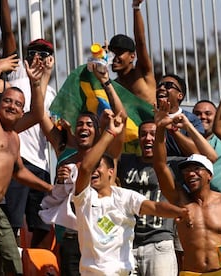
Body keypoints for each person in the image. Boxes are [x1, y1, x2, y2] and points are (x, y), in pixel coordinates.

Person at [73, 111, 192, 275]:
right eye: (143, 134)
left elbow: (155, 208)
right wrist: (109, 132)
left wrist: (179, 212)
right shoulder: (84, 198)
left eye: (98, 167)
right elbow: (85, 167)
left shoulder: (124, 196)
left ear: (111, 171)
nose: (92, 171)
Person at [0, 54, 52, 275]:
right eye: (7, 101)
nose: (12, 106)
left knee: (12, 262)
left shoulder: (14, 136)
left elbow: (19, 171)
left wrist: (49, 188)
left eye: (18, 104)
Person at [40, 63, 127, 275]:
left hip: (104, 239)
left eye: (89, 124)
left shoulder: (108, 156)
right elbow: (39, 114)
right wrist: (39, 83)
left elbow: (121, 117)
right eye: (80, 124)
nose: (84, 128)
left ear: (98, 132)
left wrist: (106, 82)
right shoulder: (65, 157)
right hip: (72, 240)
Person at [0, 0, 57, 248]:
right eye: (33, 53)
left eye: (44, 54)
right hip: (17, 159)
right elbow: (7, 33)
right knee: (12, 223)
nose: (38, 58)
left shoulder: (54, 92)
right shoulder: (17, 76)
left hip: (41, 163)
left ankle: (37, 264)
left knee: (43, 224)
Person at [153, 99, 221, 275]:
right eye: (186, 171)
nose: (190, 174)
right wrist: (160, 129)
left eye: (196, 169)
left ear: (209, 175)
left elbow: (220, 127)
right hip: (192, 272)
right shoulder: (181, 202)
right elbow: (160, 166)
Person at [118, 120, 184, 276]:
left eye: (153, 134)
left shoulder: (174, 164)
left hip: (159, 243)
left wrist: (178, 129)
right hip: (127, 243)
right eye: (143, 134)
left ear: (163, 138)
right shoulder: (126, 162)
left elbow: (208, 157)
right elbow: (109, 152)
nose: (148, 138)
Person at [109, 0, 156, 105]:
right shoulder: (113, 86)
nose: (115, 57)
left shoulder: (142, 72)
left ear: (132, 56)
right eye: (112, 53)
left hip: (151, 121)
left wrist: (136, 7)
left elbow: (140, 42)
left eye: (119, 53)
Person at [156, 74, 205, 157]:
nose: (161, 88)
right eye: (159, 85)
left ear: (180, 95)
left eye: (168, 85)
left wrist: (171, 128)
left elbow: (196, 153)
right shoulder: (148, 117)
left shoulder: (191, 120)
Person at [194, 99, 221, 193]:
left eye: (208, 113)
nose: (202, 117)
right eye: (197, 114)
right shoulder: (184, 140)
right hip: (197, 203)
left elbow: (218, 129)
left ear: (217, 117)